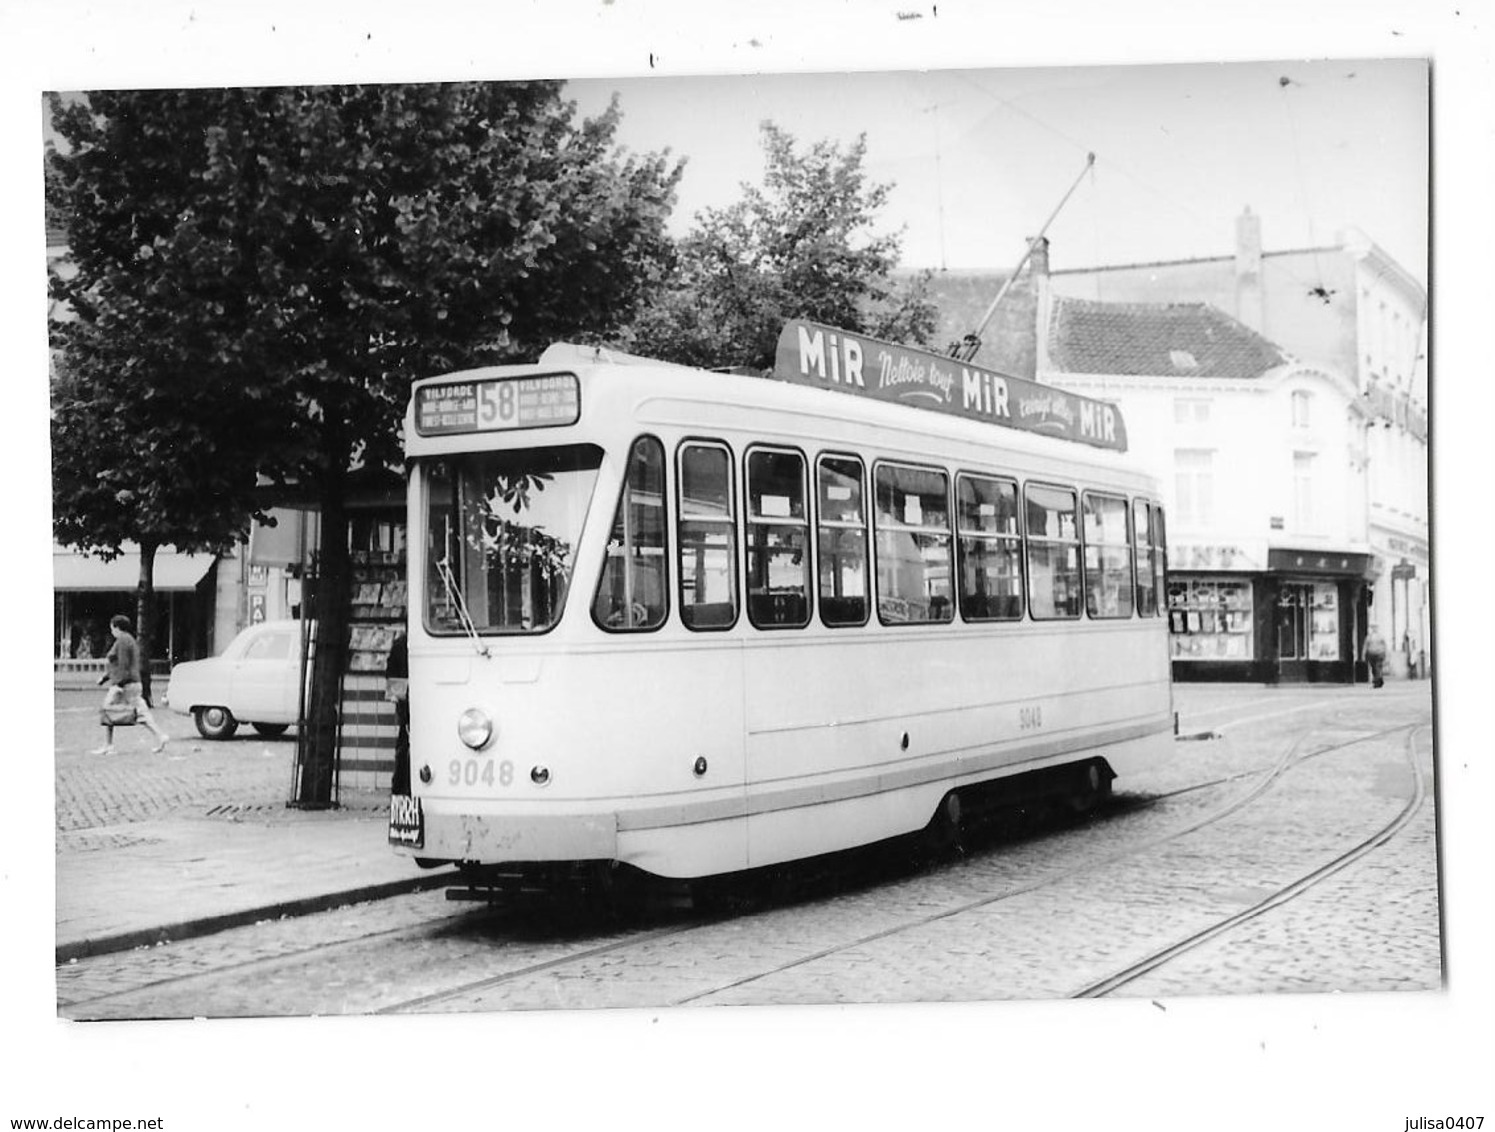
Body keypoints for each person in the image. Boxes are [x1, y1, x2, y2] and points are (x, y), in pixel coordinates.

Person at [91, 614, 171, 754]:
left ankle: (108, 745)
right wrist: (106, 678)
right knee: (141, 713)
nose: (111, 631)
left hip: (124, 684)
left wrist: (118, 684)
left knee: (107, 710)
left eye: (112, 628)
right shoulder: (130, 640)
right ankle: (160, 736)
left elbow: (122, 664)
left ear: (116, 627)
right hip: (132, 682)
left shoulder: (122, 640)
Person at [385, 631, 410, 795]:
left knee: (404, 743)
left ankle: (400, 787)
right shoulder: (402, 644)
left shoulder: (400, 643)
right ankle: (402, 786)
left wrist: (398, 698)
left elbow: (391, 673)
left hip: (405, 702)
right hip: (409, 701)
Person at [1363, 625, 1389, 689]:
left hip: (1379, 654)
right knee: (1374, 668)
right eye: (1373, 628)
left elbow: (1385, 645)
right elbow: (1365, 646)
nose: (1374, 629)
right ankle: (1379, 680)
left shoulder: (1381, 636)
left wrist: (1387, 654)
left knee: (1378, 667)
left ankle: (1377, 682)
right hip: (1371, 654)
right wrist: (1363, 654)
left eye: (1375, 627)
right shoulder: (1369, 637)